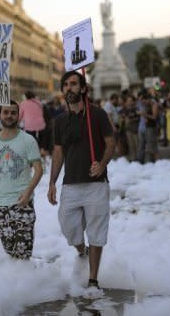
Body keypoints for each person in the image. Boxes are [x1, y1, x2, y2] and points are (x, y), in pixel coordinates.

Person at [47, 71, 115, 289]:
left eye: (74, 84)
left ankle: (93, 280)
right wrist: (52, 182)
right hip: (70, 185)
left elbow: (111, 143)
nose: (69, 88)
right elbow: (58, 153)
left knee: (97, 232)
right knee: (69, 229)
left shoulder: (97, 115)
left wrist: (102, 164)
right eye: (65, 84)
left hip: (96, 184)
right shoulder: (59, 121)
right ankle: (80, 250)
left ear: (83, 88)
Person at [0, 100, 43, 260]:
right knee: (10, 252)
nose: (9, 116)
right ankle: (16, 283)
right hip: (0, 204)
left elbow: (39, 170)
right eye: (6, 112)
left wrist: (28, 193)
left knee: (23, 252)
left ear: (18, 115)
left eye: (13, 112)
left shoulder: (28, 140)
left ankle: (27, 282)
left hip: (23, 203)